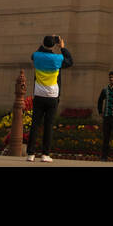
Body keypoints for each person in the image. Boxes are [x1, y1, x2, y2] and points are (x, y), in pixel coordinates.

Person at [28, 34, 73, 162]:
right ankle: (45, 154)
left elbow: (34, 54)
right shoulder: (58, 58)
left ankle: (30, 154)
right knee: (48, 125)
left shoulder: (36, 56)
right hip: (52, 96)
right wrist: (62, 47)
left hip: (39, 94)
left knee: (35, 124)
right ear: (54, 45)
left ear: (43, 43)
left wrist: (44, 44)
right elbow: (70, 61)